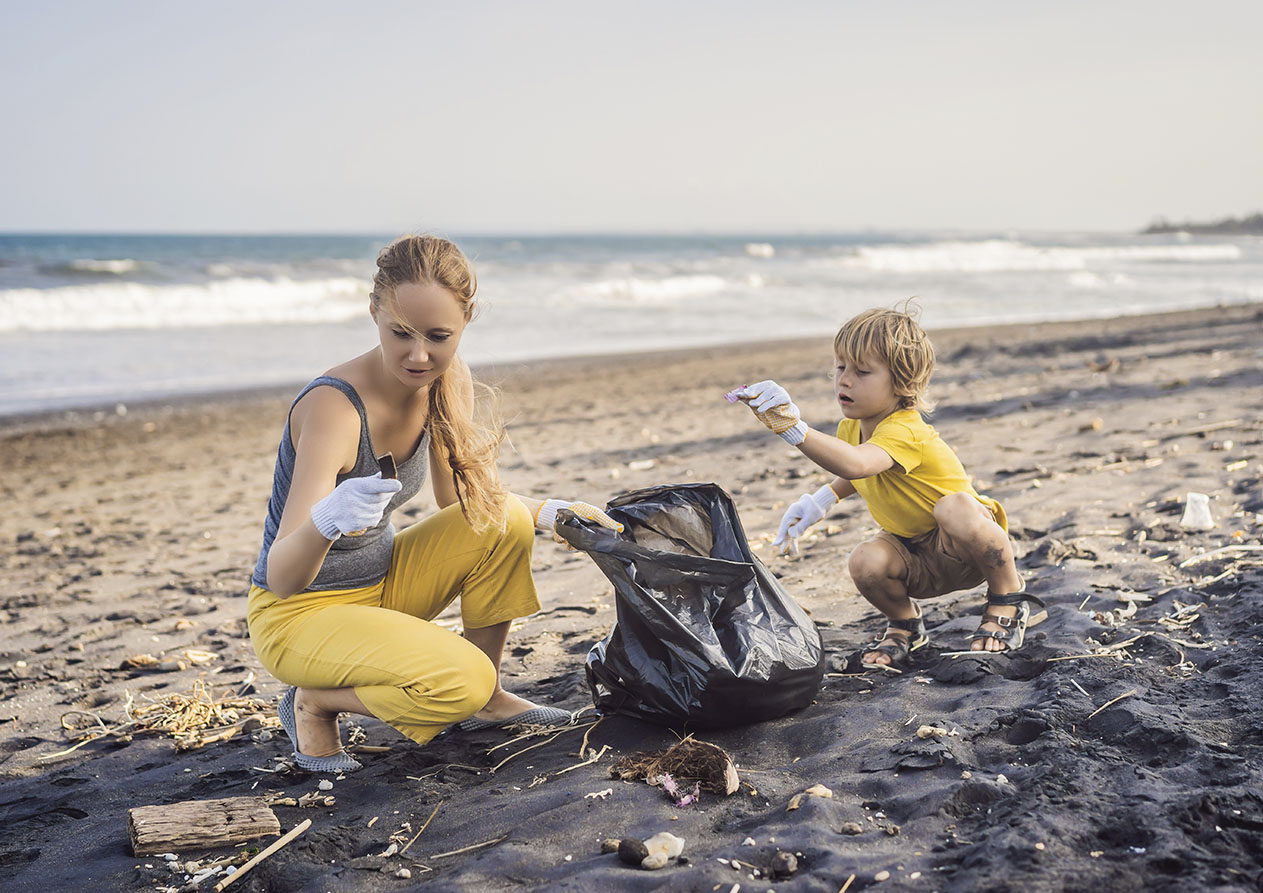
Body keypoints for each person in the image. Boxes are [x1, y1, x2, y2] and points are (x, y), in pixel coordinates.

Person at [247, 234, 621, 771]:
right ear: (373, 310)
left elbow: (462, 503)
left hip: (380, 590)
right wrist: (326, 522)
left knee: (503, 521)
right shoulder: (335, 408)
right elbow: (282, 577)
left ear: (466, 321)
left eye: (439, 337)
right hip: (297, 617)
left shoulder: (446, 380)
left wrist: (544, 511)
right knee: (459, 681)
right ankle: (314, 700)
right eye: (400, 333)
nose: (418, 355)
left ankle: (487, 700)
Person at [728, 305, 1045, 672]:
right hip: (914, 557)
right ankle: (906, 623)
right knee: (865, 560)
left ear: (903, 384)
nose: (845, 380)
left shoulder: (905, 429)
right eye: (840, 367)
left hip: (966, 546)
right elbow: (859, 471)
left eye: (862, 371)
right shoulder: (854, 429)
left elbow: (858, 463)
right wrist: (821, 500)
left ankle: (1008, 595)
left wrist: (792, 427)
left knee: (954, 507)